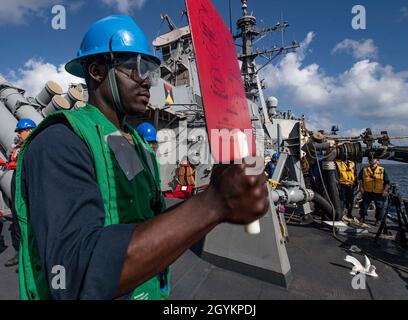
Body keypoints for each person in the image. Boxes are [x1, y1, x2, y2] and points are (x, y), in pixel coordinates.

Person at [15, 15, 268, 300]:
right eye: (136, 68)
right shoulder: (59, 142)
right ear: (97, 71)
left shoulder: (135, 143)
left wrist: (217, 196)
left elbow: (149, 220)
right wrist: (214, 205)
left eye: (151, 71)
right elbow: (74, 273)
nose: (148, 82)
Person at [0, 119, 36, 269]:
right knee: (16, 216)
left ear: (30, 130)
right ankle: (19, 253)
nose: (18, 135)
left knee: (31, 218)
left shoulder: (36, 146)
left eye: (20, 131)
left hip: (30, 181)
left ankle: (35, 255)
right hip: (17, 180)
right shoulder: (18, 147)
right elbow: (12, 162)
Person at [358, 156, 390, 225]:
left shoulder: (382, 170)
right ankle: (362, 217)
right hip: (367, 191)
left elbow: (387, 182)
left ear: (378, 161)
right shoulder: (364, 169)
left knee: (380, 206)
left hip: (379, 192)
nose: (372, 160)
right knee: (364, 205)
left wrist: (385, 190)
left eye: (374, 159)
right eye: (370, 159)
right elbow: (360, 179)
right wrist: (361, 187)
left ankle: (378, 220)